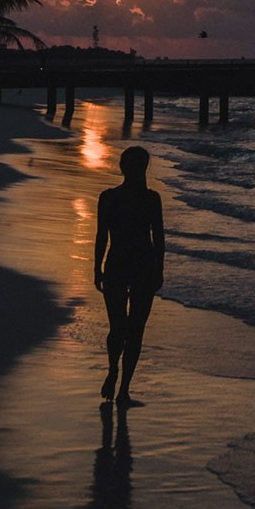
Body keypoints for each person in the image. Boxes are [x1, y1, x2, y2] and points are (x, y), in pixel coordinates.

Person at [92, 145, 164, 405]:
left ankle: (120, 382)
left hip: (125, 266)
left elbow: (159, 239)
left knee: (124, 329)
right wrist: (159, 270)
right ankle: (119, 381)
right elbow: (159, 241)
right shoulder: (145, 199)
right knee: (129, 330)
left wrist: (97, 268)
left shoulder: (113, 198)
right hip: (137, 266)